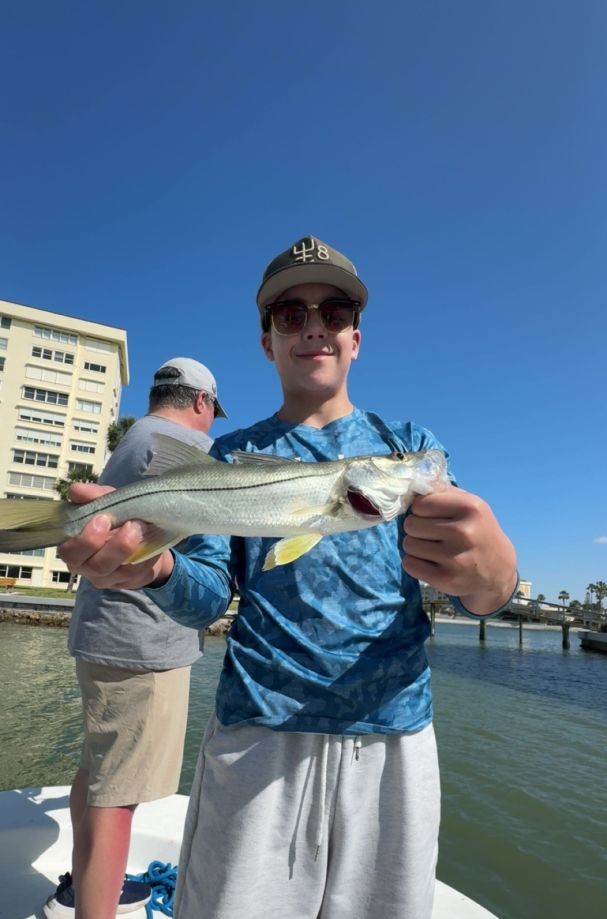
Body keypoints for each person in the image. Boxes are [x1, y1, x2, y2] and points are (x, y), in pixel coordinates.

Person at [58, 236, 518, 919]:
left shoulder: (407, 446)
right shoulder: (232, 455)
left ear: (355, 337)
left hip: (391, 739)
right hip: (256, 739)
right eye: (288, 312)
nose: (312, 325)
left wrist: (495, 572)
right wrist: (155, 569)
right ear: (266, 340)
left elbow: (475, 586)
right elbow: (209, 593)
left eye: (332, 311)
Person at [44, 358, 227, 919]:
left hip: (102, 634)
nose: (212, 426)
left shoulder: (134, 439)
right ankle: (94, 903)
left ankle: (83, 883)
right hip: (143, 645)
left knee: (99, 773)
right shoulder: (181, 448)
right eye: (212, 413)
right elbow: (205, 566)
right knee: (118, 800)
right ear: (200, 401)